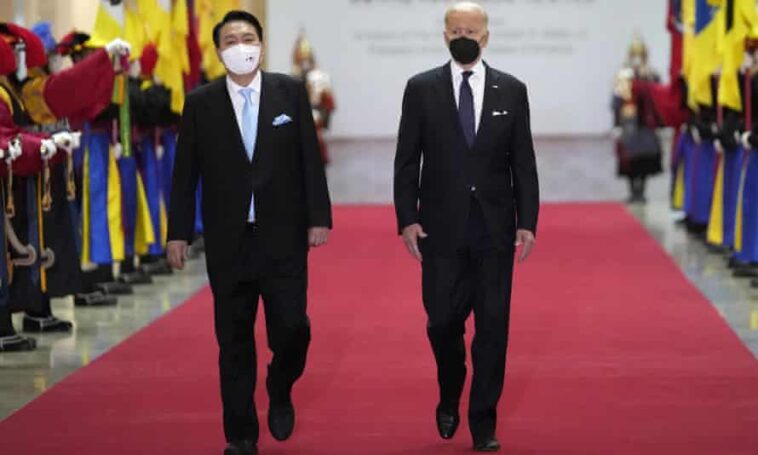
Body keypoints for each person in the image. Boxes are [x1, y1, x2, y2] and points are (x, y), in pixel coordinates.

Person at [166, 10, 331, 455]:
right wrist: (177, 233)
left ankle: (280, 386)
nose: (242, 45)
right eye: (232, 40)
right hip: (229, 241)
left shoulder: (289, 92)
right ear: (220, 52)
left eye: (249, 37)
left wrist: (319, 217)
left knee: (293, 329)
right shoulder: (200, 103)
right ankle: (240, 435)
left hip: (283, 238)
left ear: (261, 44)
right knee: (234, 340)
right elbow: (185, 175)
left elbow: (309, 159)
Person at [393, 2, 539, 452]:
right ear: (443, 34)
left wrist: (527, 222)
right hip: (440, 231)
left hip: (494, 231)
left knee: (493, 328)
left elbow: (524, 164)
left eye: (471, 31)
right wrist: (407, 218)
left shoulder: (511, 91)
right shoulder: (420, 89)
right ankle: (450, 390)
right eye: (455, 29)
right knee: (441, 323)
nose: (463, 36)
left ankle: (483, 423)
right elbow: (406, 160)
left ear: (486, 37)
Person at [611, 36, 663, 204]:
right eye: (634, 54)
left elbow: (658, 96)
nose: (637, 58)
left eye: (639, 54)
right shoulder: (623, 75)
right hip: (629, 123)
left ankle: (642, 191)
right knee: (629, 159)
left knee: (646, 159)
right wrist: (616, 124)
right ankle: (633, 190)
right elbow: (617, 100)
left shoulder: (651, 75)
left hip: (646, 123)